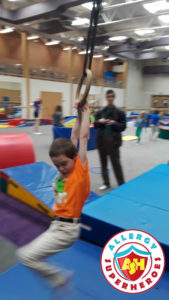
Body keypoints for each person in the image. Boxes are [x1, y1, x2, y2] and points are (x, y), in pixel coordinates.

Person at [17, 101, 90, 287]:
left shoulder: (79, 173)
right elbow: (73, 135)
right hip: (56, 225)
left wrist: (86, 111)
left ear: (75, 158)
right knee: (26, 256)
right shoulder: (63, 173)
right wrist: (77, 113)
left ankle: (58, 279)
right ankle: (58, 279)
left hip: (67, 231)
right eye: (57, 165)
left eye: (64, 164)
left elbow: (82, 136)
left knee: (25, 257)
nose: (61, 168)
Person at [94, 89, 126, 191]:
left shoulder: (120, 112)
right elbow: (95, 125)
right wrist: (99, 121)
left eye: (112, 96)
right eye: (108, 96)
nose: (110, 98)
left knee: (116, 163)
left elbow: (123, 127)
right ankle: (106, 183)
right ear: (106, 98)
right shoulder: (100, 112)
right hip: (102, 139)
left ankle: (121, 184)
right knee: (103, 163)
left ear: (114, 98)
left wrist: (114, 123)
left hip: (113, 140)